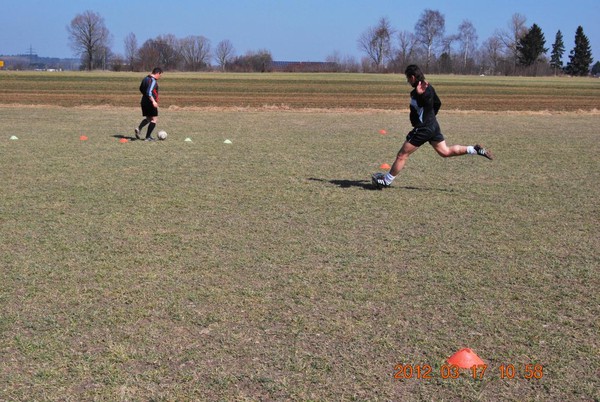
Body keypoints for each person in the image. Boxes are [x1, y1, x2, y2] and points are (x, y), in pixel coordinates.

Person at [372, 64, 493, 189]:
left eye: (408, 78)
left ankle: (386, 181)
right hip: (432, 126)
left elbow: (426, 101)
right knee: (445, 152)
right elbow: (437, 103)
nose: (408, 81)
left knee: (402, 155)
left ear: (412, 77)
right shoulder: (429, 87)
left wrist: (421, 99)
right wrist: (430, 117)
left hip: (423, 129)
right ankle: (474, 149)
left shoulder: (420, 92)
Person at [135, 67, 163, 141]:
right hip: (150, 102)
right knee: (154, 119)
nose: (160, 77)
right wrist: (153, 101)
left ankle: (139, 128)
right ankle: (148, 137)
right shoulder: (153, 80)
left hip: (144, 101)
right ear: (157, 73)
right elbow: (149, 92)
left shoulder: (145, 78)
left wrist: (145, 96)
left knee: (148, 118)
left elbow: (141, 88)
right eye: (160, 75)